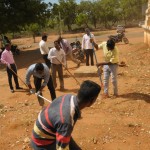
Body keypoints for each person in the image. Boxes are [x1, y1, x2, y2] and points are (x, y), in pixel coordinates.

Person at [30, 80, 101, 150]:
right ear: (92, 100)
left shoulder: (68, 97)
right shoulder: (66, 120)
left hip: (46, 132)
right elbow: (61, 148)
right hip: (42, 143)